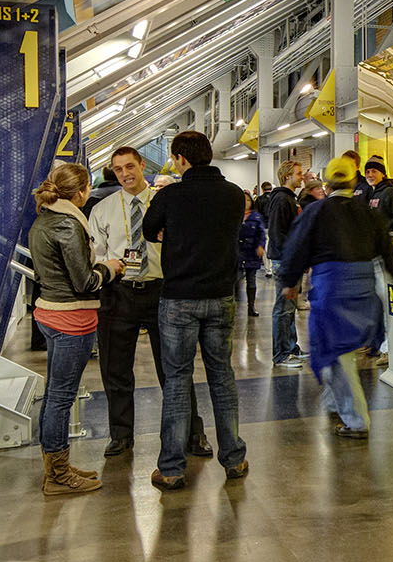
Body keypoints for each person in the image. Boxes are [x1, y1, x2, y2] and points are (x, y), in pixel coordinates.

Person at [141, 131, 250, 490]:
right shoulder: (234, 195)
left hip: (178, 299)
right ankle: (233, 458)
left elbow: (149, 230)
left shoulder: (170, 195)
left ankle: (171, 468)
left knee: (177, 381)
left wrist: (171, 235)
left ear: (180, 159)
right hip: (221, 297)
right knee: (222, 376)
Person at [88, 146, 209, 458]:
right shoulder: (103, 209)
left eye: (130, 166)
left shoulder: (168, 203)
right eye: (118, 170)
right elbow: (96, 253)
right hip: (119, 293)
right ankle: (120, 435)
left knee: (174, 369)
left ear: (142, 165)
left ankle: (192, 434)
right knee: (115, 369)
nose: (126, 174)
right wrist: (108, 263)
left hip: (162, 291)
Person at [275, 156, 393, 439]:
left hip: (332, 288)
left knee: (334, 352)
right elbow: (386, 249)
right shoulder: (367, 212)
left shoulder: (317, 211)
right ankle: (335, 401)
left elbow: (297, 247)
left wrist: (289, 281)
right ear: (353, 180)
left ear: (328, 183)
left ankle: (356, 419)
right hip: (364, 287)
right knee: (338, 353)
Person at [28, 162, 123, 496]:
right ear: (81, 191)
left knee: (56, 395)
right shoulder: (69, 225)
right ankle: (56, 475)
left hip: (50, 314)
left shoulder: (44, 219)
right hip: (72, 320)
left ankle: (58, 465)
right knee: (60, 398)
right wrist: (109, 269)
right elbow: (83, 282)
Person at [263, 159, 306, 368]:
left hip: (290, 260)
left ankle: (291, 346)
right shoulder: (282, 200)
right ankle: (281, 353)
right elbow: (278, 233)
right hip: (284, 261)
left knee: (289, 307)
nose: (302, 177)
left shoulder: (290, 199)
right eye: (299, 173)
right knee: (283, 308)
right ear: (287, 176)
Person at [237, 190, 266, 317]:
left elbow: (261, 234)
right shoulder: (234, 215)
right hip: (237, 252)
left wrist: (261, 246)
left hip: (251, 252)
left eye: (248, 200)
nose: (246, 203)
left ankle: (251, 306)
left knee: (251, 280)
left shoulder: (256, 217)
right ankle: (235, 303)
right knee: (235, 279)